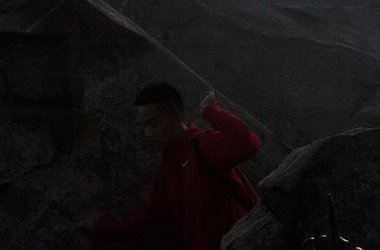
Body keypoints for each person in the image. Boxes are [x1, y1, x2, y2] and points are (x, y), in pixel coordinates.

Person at [88, 82, 260, 250]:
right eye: (144, 126)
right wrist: (99, 232)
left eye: (153, 123)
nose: (148, 133)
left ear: (176, 116)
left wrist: (211, 111)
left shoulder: (202, 145)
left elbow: (248, 144)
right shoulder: (168, 166)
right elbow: (151, 216)